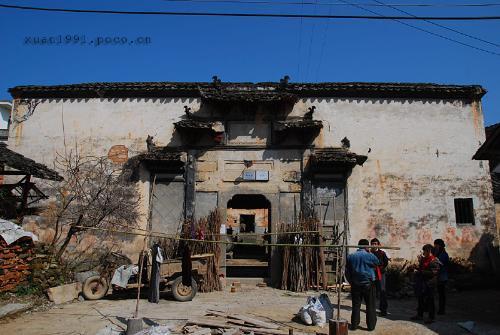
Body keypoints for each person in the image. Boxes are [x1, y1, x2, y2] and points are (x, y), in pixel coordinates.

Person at [346, 239, 380, 331]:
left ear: (358, 246)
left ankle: (354, 325)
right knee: (370, 306)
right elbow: (377, 263)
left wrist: (351, 282)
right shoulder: (370, 256)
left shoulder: (351, 256)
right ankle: (371, 326)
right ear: (367, 246)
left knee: (356, 306)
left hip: (356, 284)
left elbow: (347, 272)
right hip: (368, 284)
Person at [411, 244, 441, 323]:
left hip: (430, 283)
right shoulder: (424, 259)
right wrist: (417, 268)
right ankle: (420, 315)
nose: (423, 252)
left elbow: (434, 272)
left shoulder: (434, 260)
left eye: (424, 250)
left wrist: (420, 272)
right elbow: (421, 268)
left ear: (429, 251)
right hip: (422, 283)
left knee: (430, 300)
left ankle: (431, 317)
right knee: (420, 299)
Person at [370, 238, 389, 316]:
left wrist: (379, 268)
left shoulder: (382, 253)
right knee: (372, 292)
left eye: (375, 243)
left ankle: (383, 310)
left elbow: (385, 263)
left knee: (382, 291)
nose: (374, 245)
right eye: (372, 244)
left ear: (378, 244)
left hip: (381, 274)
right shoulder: (369, 253)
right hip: (371, 274)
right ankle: (371, 309)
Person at [433, 239, 449, 315]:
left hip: (442, 276)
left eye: (436, 245)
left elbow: (441, 264)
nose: (435, 246)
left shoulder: (444, 254)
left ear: (439, 245)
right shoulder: (439, 253)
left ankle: (442, 310)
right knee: (440, 293)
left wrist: (435, 260)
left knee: (441, 294)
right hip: (439, 276)